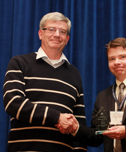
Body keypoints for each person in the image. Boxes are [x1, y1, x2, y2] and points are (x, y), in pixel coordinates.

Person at [3, 12, 87, 152]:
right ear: (40, 34)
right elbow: (13, 103)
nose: (57, 35)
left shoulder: (74, 73)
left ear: (67, 39)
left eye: (62, 31)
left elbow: (78, 122)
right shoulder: (19, 63)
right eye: (51, 29)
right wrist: (57, 117)